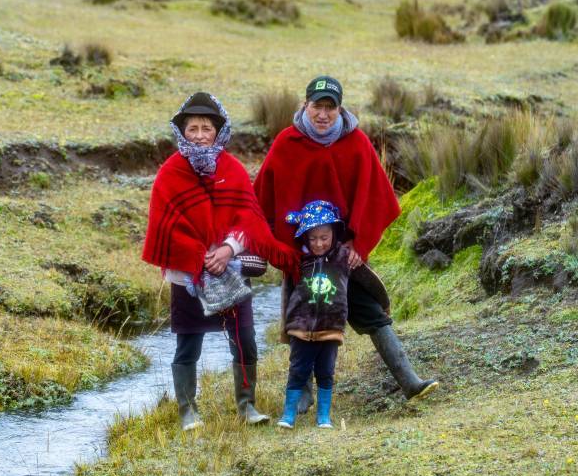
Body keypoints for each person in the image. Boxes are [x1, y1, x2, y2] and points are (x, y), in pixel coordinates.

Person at [254, 76, 438, 409]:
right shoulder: (286, 144)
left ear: (340, 108)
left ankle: (409, 380)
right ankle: (304, 394)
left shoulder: (356, 143)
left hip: (343, 253)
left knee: (370, 310)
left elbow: (376, 198)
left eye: (330, 107)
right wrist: (279, 250)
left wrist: (358, 245)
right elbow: (261, 200)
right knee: (302, 319)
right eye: (316, 106)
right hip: (302, 255)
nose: (323, 114)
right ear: (304, 105)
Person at [142, 92, 300, 431]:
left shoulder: (232, 169)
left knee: (245, 341)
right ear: (181, 131)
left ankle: (247, 406)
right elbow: (168, 226)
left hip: (231, 272)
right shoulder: (170, 173)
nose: (199, 135)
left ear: (219, 131)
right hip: (189, 276)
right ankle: (188, 411)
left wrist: (227, 249)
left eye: (206, 128)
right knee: (188, 345)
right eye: (193, 128)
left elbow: (249, 218)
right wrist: (200, 259)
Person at [278, 200, 350, 429]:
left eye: (324, 238)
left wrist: (384, 305)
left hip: (331, 327)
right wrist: (286, 325)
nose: (318, 244)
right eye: (312, 238)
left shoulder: (344, 258)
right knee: (297, 370)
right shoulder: (298, 260)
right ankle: (288, 415)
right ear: (305, 238)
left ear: (334, 235)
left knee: (326, 372)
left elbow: (369, 281)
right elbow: (287, 291)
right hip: (301, 327)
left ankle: (324, 417)